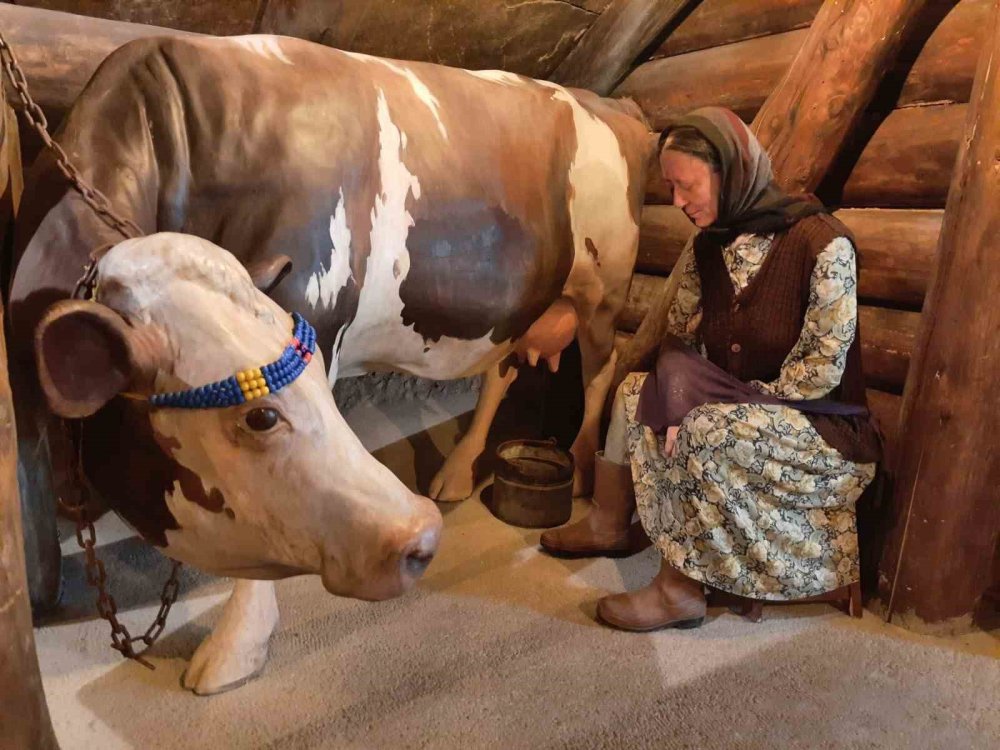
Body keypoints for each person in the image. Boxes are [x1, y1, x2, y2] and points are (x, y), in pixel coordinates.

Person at [540, 106, 881, 632]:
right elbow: (680, 338)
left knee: (702, 427)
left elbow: (820, 372)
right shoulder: (711, 247)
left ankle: (680, 590)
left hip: (821, 427)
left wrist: (705, 403)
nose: (678, 202)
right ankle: (610, 522)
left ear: (731, 171)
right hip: (738, 405)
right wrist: (679, 391)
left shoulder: (824, 244)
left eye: (688, 185)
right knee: (636, 393)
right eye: (671, 188)